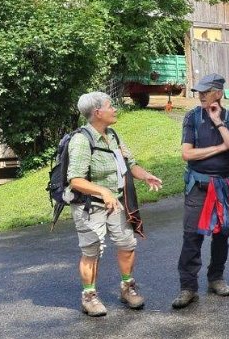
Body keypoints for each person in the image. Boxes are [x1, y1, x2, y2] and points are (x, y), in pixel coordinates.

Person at [67, 92, 162, 317]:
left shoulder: (113, 135)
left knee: (127, 243)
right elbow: (75, 179)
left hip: (116, 202)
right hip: (90, 204)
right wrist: (102, 191)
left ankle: (127, 288)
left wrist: (145, 175)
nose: (115, 109)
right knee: (92, 250)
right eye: (111, 106)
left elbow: (130, 163)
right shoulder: (81, 140)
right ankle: (89, 297)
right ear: (98, 112)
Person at [172, 73, 229, 309]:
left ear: (219, 93)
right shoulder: (192, 117)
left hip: (225, 186)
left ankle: (216, 278)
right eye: (199, 91)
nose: (201, 95)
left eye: (206, 91)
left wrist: (218, 122)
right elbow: (187, 154)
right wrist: (219, 147)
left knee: (221, 235)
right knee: (191, 236)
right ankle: (188, 287)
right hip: (198, 185)